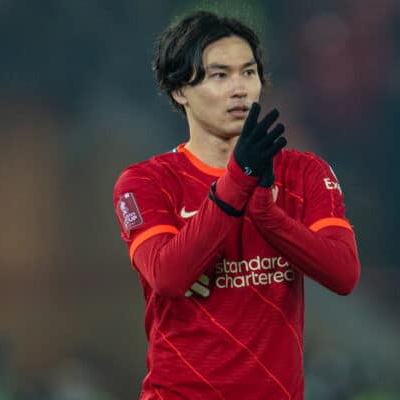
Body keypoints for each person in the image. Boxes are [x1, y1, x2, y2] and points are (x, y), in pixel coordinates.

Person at [113, 11, 361, 400]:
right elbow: (168, 276)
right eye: (219, 75)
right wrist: (239, 180)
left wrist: (267, 215)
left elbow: (344, 273)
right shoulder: (148, 181)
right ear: (180, 90)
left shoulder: (304, 173)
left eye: (248, 72)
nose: (239, 88)